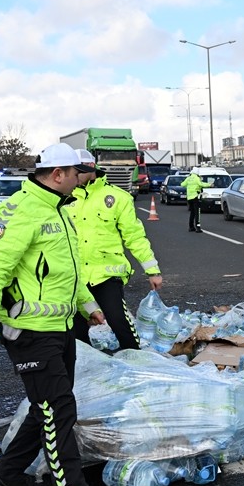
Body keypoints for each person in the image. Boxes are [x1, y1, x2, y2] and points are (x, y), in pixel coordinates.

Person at [0, 143, 126, 486]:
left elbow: (65, 272)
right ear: (58, 174)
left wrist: (88, 305)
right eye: (76, 173)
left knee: (47, 410)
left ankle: (9, 475)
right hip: (29, 333)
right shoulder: (22, 212)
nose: (82, 179)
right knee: (59, 413)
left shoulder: (58, 209)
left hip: (59, 330)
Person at [70, 149, 163, 351]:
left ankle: (136, 360)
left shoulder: (117, 197)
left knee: (118, 321)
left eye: (77, 171)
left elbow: (134, 236)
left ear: (91, 167)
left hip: (106, 273)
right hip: (74, 276)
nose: (73, 176)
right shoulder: (64, 198)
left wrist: (152, 270)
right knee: (76, 330)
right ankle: (87, 372)